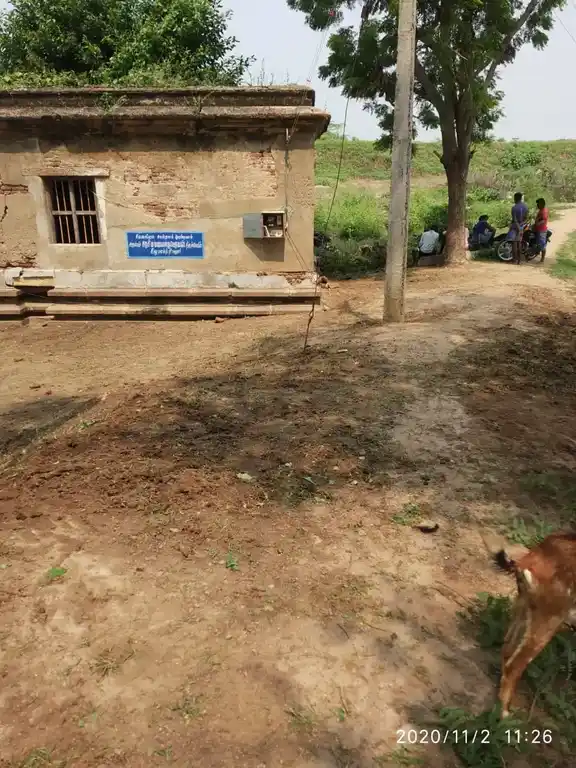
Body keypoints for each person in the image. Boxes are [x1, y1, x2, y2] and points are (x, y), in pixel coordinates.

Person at [507, 192, 529, 264]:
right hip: (522, 226)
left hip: (514, 227)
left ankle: (514, 260)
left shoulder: (514, 208)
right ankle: (519, 260)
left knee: (514, 243)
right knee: (519, 243)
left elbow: (515, 219)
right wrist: (521, 226)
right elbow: (526, 219)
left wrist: (517, 227)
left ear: (516, 198)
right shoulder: (525, 207)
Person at [533, 197, 549, 262]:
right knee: (539, 243)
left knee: (542, 245)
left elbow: (544, 219)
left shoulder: (544, 211)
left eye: (538, 204)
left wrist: (537, 223)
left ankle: (542, 259)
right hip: (539, 229)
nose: (537, 205)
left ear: (541, 204)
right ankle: (536, 253)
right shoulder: (542, 209)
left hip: (541, 230)